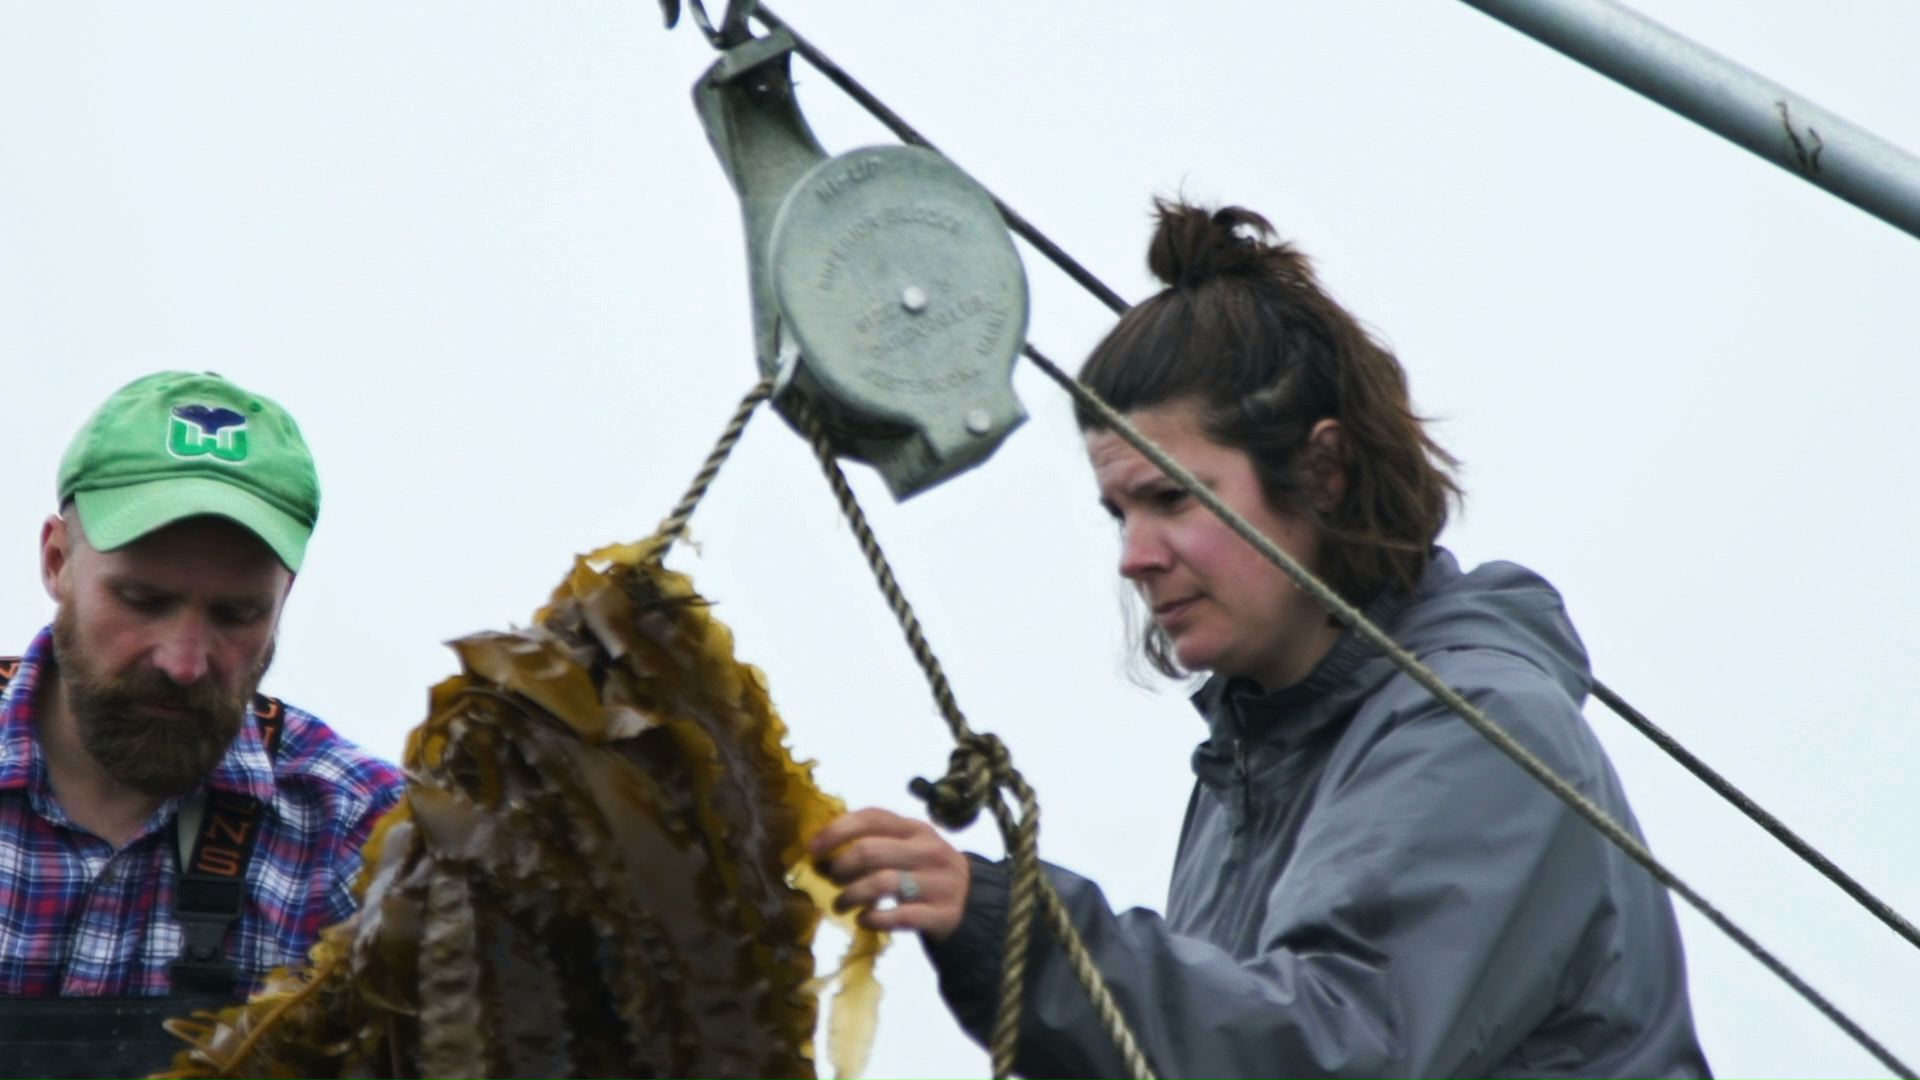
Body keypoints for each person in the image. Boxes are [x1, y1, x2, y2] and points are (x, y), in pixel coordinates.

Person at [811, 201, 1712, 1078]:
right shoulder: (1257, 754)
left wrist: (1020, 939)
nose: (1134, 557)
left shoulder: (1481, 728)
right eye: (1118, 512)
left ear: (1322, 471)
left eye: (1172, 498)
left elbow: (1336, 1049)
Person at [0, 371, 405, 1077]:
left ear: (284, 601)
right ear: (57, 562)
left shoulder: (360, 835)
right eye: (143, 599)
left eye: (236, 615)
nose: (185, 663)